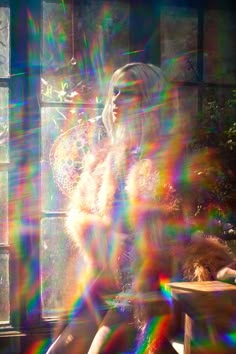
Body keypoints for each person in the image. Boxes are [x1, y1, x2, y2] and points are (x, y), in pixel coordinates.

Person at [46, 62, 236, 354]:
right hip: (106, 283)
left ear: (149, 101)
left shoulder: (170, 163)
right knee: (58, 350)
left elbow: (190, 233)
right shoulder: (104, 161)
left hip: (147, 290)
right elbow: (82, 217)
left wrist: (216, 265)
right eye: (115, 92)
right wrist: (102, 233)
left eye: (128, 94)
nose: (116, 101)